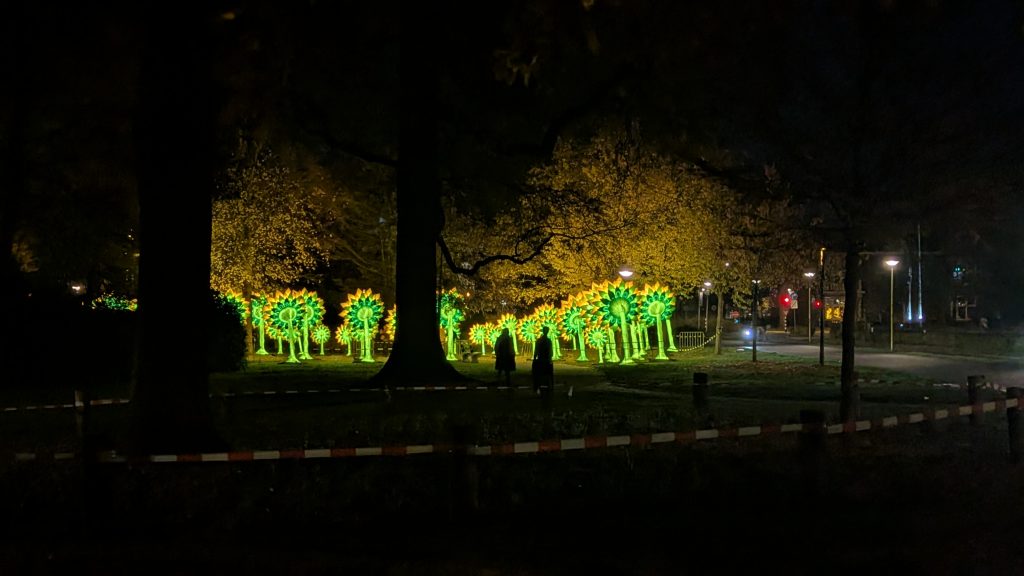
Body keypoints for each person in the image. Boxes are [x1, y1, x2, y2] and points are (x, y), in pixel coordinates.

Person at [532, 325, 554, 394]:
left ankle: (539, 385)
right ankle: (549, 385)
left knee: (540, 373)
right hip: (547, 359)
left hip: (541, 359)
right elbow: (550, 351)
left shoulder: (539, 340)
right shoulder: (548, 341)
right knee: (548, 373)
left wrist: (535, 358)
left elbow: (536, 350)